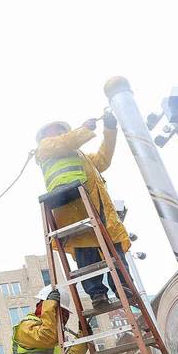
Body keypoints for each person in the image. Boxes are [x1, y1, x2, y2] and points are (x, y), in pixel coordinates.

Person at [35, 114, 133, 309]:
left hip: (97, 207)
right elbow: (64, 143)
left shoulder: (79, 155)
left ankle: (124, 287)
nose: (61, 133)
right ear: (45, 135)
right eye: (56, 130)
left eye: (62, 129)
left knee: (114, 250)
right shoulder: (46, 148)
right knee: (86, 253)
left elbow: (103, 160)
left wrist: (110, 130)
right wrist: (85, 129)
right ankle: (97, 294)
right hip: (73, 209)